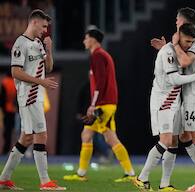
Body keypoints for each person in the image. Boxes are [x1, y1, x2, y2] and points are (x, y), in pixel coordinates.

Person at [133, 23, 195, 191]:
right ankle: (142, 177)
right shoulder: (169, 52)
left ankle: (164, 184)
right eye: (186, 41)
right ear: (178, 37)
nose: (189, 45)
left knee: (173, 142)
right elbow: (174, 80)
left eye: (192, 42)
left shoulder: (173, 50)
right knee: (167, 140)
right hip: (163, 101)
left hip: (174, 101)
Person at [0, 9, 66, 190]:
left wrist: (49, 50)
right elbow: (16, 72)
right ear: (34, 22)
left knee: (26, 138)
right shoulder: (20, 44)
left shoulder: (38, 43)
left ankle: (4, 178)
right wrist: (40, 81)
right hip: (28, 95)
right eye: (44, 26)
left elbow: (49, 67)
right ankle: (45, 182)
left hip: (37, 94)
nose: (45, 30)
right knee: (40, 135)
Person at [63, 26, 136, 182]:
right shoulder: (101, 55)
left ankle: (130, 174)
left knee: (110, 138)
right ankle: (81, 174)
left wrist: (93, 104)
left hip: (103, 104)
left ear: (93, 39)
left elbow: (100, 82)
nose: (84, 41)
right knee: (88, 135)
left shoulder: (98, 56)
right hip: (106, 103)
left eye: (86, 37)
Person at [0, 71, 17, 154]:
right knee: (12, 129)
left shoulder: (4, 82)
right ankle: (11, 148)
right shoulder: (15, 82)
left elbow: (2, 97)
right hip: (13, 109)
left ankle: (6, 149)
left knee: (7, 130)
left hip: (6, 109)